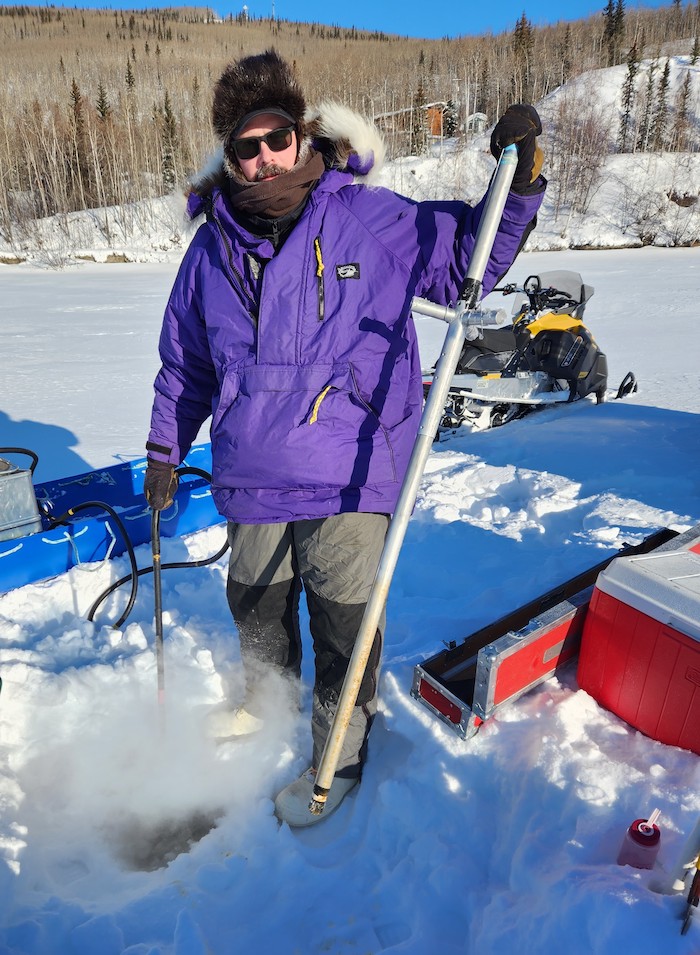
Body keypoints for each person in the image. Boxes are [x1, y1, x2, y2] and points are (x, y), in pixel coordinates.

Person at [144, 49, 546, 827]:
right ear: (229, 156)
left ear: (303, 135)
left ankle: (340, 749)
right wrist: (165, 447)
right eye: (246, 146)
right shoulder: (208, 252)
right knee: (255, 604)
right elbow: (185, 363)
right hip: (251, 470)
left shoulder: (368, 216)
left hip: (352, 465)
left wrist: (521, 182)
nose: (264, 158)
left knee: (342, 619)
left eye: (277, 138)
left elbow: (469, 256)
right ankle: (264, 706)